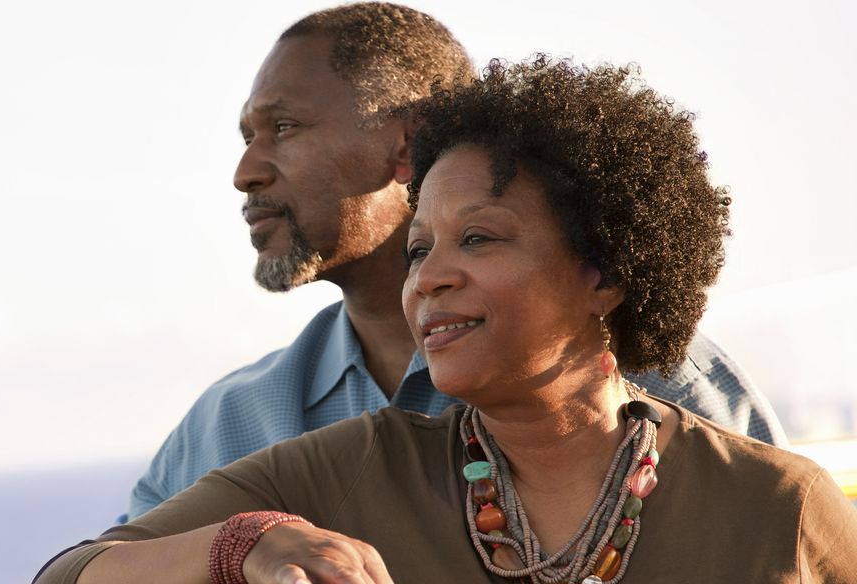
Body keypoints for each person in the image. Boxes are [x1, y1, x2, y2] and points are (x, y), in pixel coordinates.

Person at [20, 56, 857, 584]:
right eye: (420, 249)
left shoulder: (778, 504)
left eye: (479, 239)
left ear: (605, 271)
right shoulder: (339, 472)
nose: (429, 280)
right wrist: (241, 544)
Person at [126, 3, 785, 523]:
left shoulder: (651, 375)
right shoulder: (232, 423)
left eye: (285, 128)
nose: (246, 172)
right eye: (247, 138)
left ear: (408, 145)